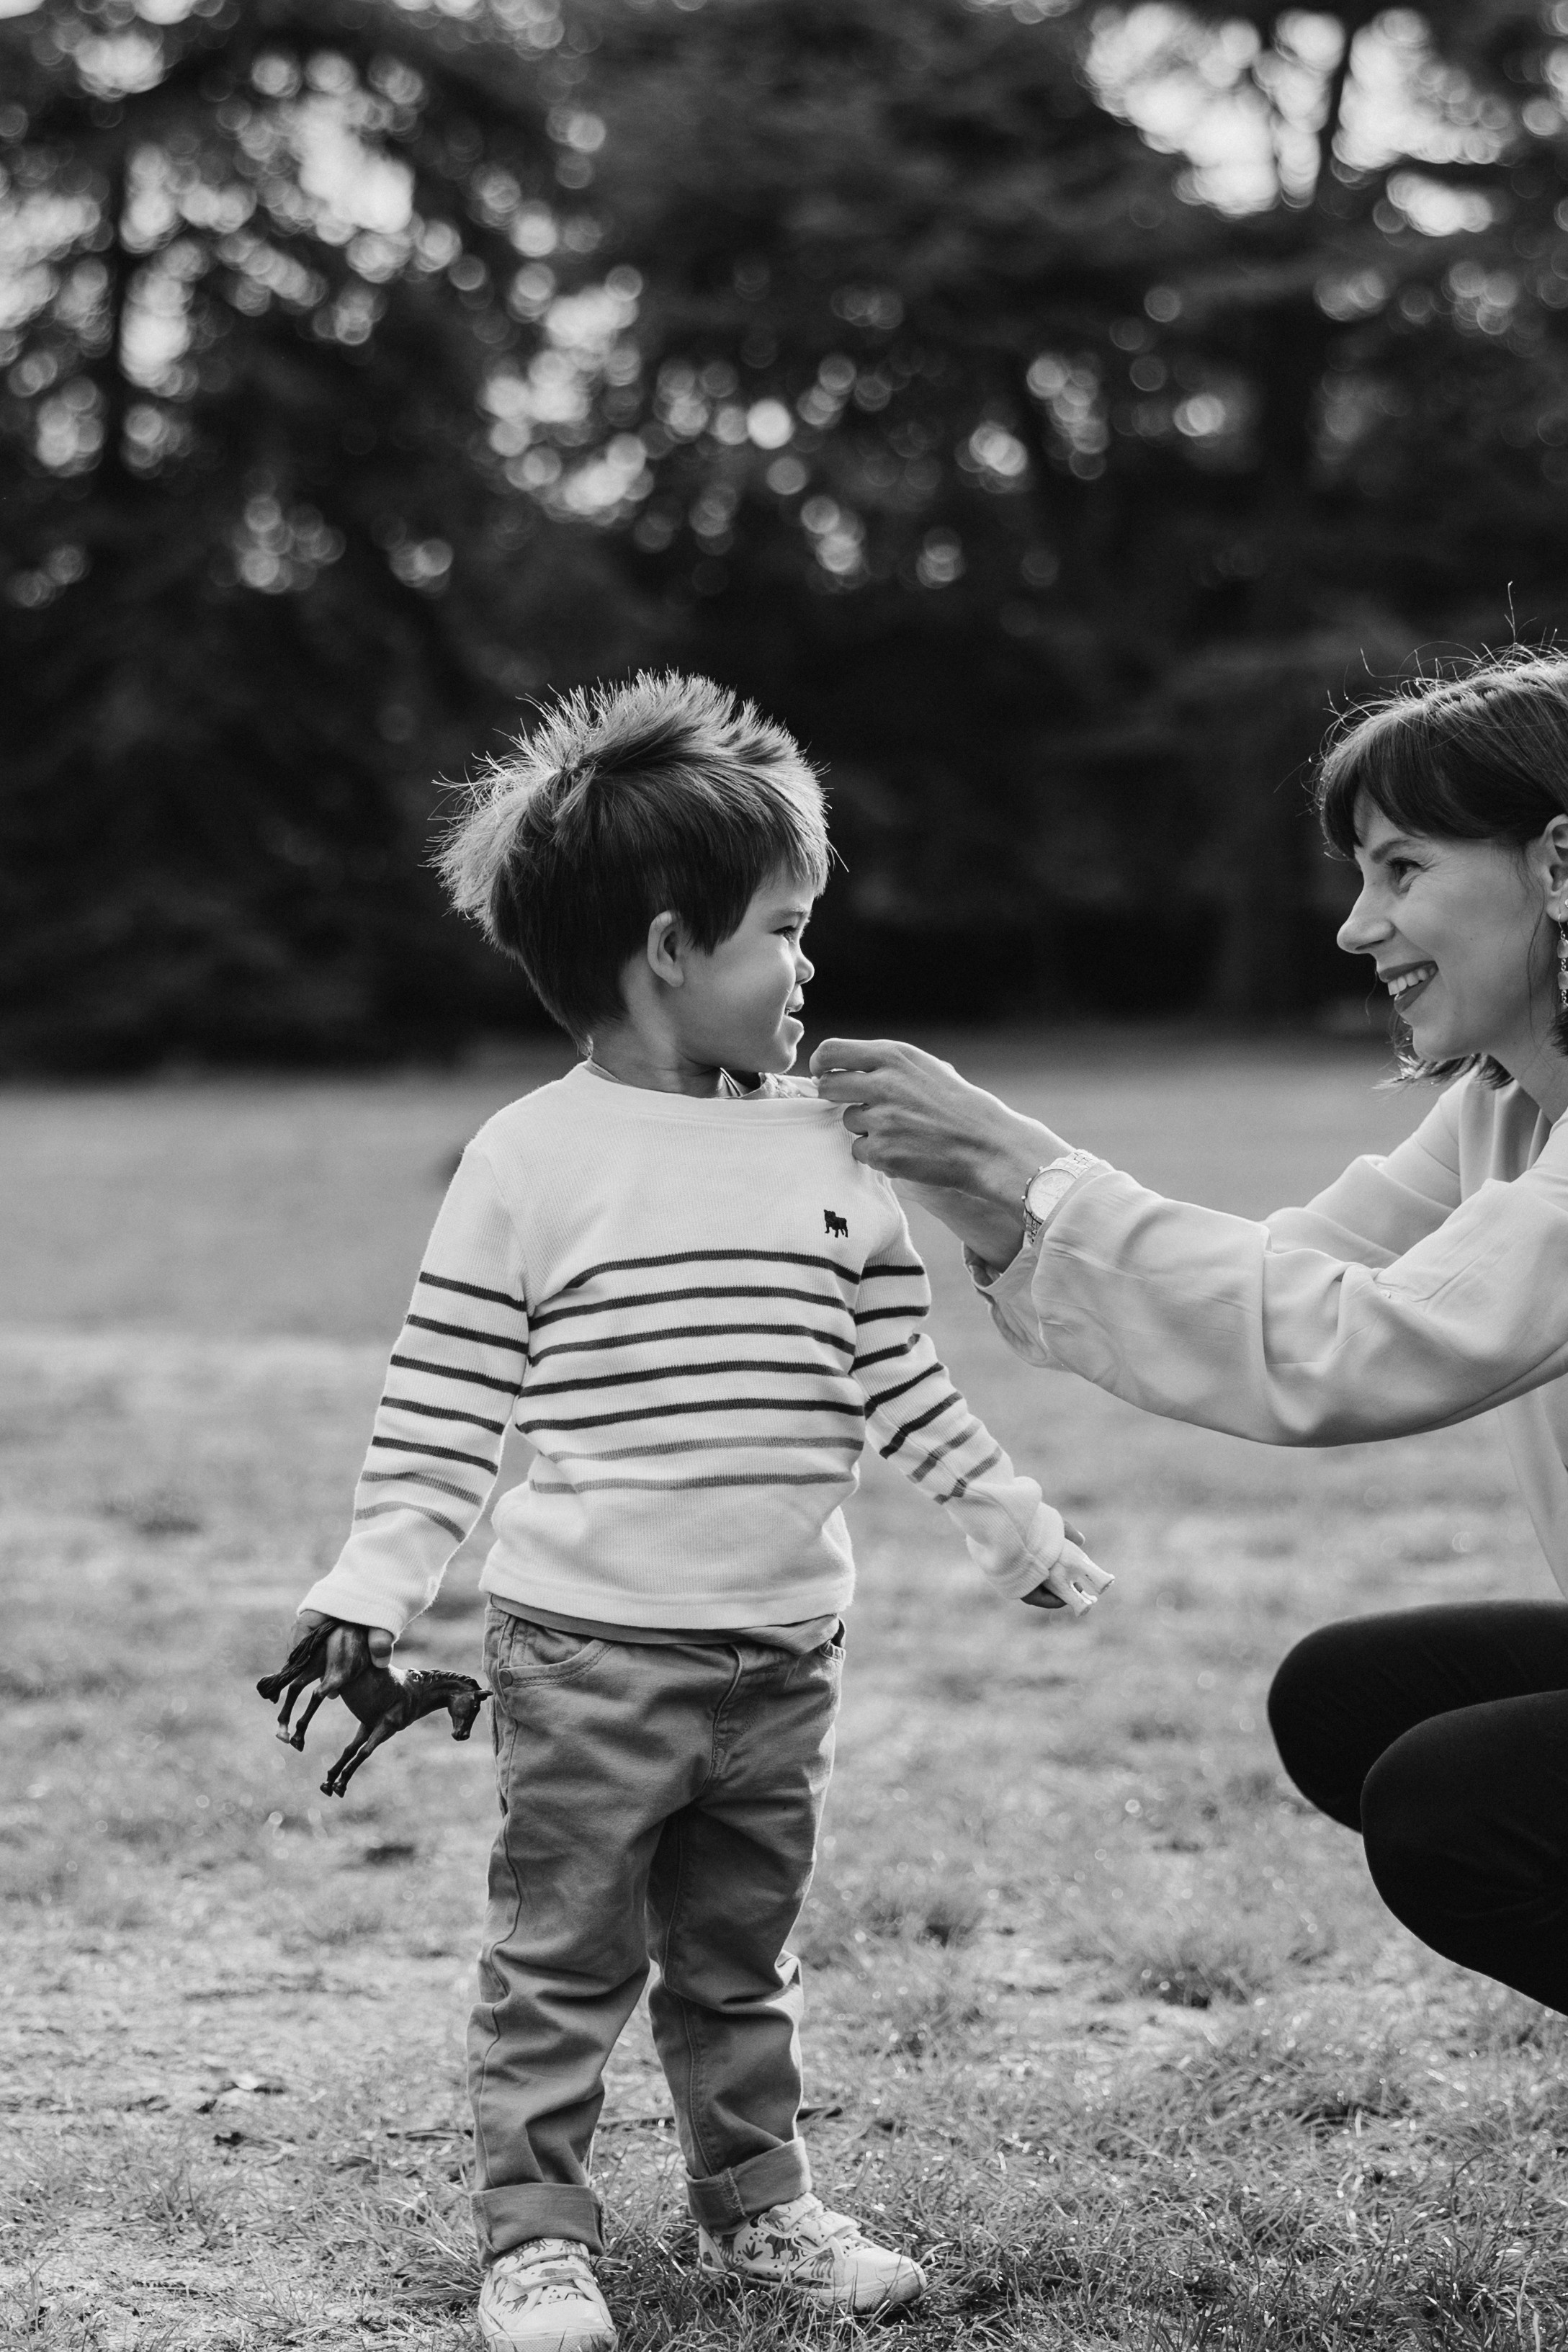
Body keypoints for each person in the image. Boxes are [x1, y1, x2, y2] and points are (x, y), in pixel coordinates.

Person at [287, 674, 1108, 2352]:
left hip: (783, 1652)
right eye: (785, 930)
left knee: (743, 1956)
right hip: (589, 1651)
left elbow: (900, 1373)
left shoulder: (834, 1152)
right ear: (672, 949)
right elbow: (444, 1400)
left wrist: (1007, 1519)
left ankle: (758, 2212)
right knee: (564, 1956)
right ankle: (535, 2243)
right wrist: (375, 1580)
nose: (809, 966)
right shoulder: (530, 1160)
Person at [812, 648, 1568, 2022]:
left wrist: (1039, 1170)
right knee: (1352, 1700)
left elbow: (1368, 1343)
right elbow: (1287, 1272)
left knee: (1453, 1802)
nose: (1354, 925)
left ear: (1560, 865)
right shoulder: (1507, 1113)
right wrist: (991, 1200)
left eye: (1399, 870)